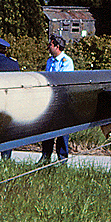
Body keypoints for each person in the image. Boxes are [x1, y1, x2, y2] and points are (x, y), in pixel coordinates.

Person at [40, 34, 74, 164]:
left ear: (57, 46)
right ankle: (45, 157)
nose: (49, 48)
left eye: (50, 45)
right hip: (50, 100)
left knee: (62, 132)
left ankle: (62, 159)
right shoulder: (50, 61)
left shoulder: (66, 62)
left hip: (62, 100)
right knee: (47, 130)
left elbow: (63, 81)